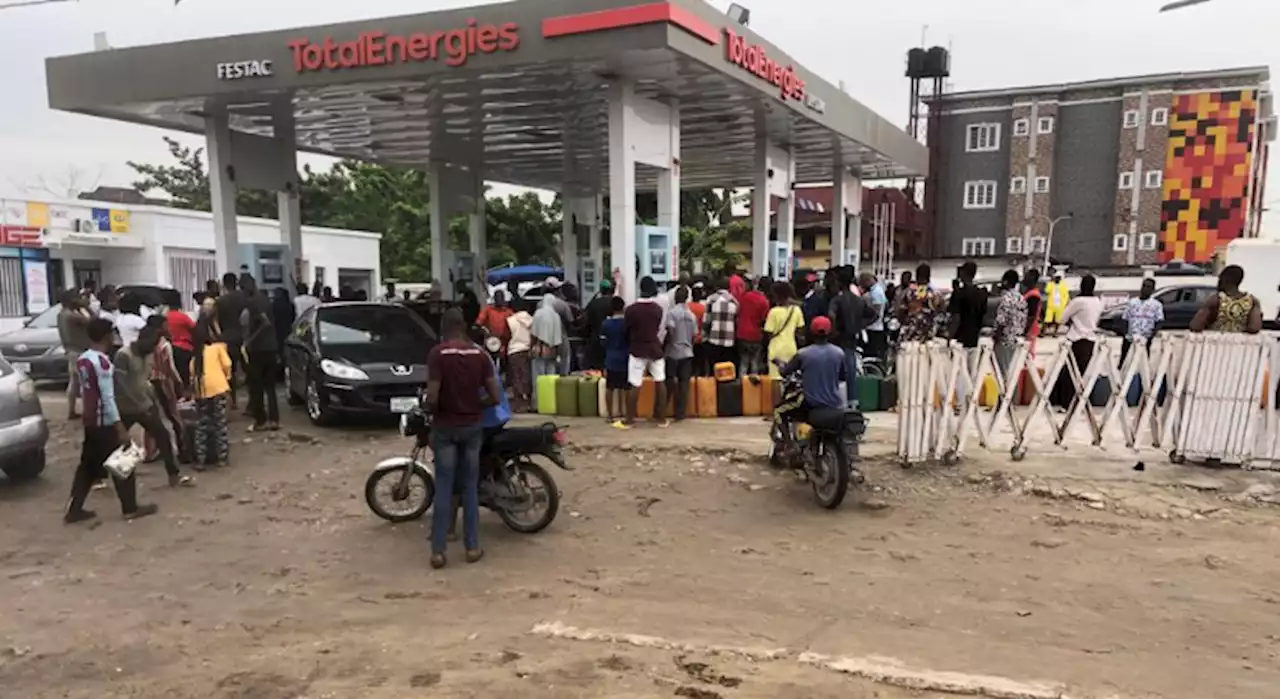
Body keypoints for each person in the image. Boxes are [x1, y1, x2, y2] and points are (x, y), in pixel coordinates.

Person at [425, 308, 501, 569]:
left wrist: (433, 408)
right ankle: (472, 547)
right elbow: (495, 397)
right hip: (472, 428)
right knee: (469, 488)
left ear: (445, 328)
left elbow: (432, 397)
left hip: (445, 428)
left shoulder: (438, 354)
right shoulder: (480, 355)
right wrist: (473, 404)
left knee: (444, 488)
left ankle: (438, 552)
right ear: (465, 326)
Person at [64, 318, 160, 524]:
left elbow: (84, 391)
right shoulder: (104, 363)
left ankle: (74, 508)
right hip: (105, 422)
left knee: (87, 468)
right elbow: (108, 398)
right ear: (107, 336)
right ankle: (130, 508)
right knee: (124, 463)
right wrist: (120, 428)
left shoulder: (83, 360)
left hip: (90, 421)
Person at [114, 325, 192, 487]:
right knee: (116, 444)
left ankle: (173, 474)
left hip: (145, 404)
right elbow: (120, 385)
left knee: (163, 436)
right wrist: (139, 403)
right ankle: (116, 477)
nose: (152, 349)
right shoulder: (123, 355)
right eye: (151, 344)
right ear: (141, 339)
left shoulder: (148, 354)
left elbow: (145, 381)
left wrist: (151, 402)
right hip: (125, 407)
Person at [772, 316, 847, 427]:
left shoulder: (803, 354)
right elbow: (843, 377)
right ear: (830, 332)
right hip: (835, 404)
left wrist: (779, 364)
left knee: (778, 411)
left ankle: (788, 442)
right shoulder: (839, 353)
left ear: (811, 332)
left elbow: (785, 372)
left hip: (812, 404)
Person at [1050, 275, 1104, 410]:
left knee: (1069, 373)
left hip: (1076, 339)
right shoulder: (1097, 302)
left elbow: (1062, 319)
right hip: (1090, 340)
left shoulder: (1078, 301)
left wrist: (1071, 320)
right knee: (1082, 373)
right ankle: (1081, 403)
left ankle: (1066, 403)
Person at [144, 315, 191, 465]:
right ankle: (183, 452)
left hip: (148, 383)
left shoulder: (144, 344)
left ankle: (150, 452)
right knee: (175, 417)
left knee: (151, 418)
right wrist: (180, 383)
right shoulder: (164, 345)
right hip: (164, 383)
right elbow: (170, 368)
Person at [625, 276, 669, 426]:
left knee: (635, 384)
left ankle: (629, 420)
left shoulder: (631, 309)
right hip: (655, 348)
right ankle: (661, 419)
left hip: (637, 348)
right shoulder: (657, 309)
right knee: (660, 381)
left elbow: (627, 329)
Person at [828, 267, 874, 407]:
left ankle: (834, 400)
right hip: (852, 339)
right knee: (851, 372)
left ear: (839, 282)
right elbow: (873, 314)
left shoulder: (837, 300)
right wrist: (861, 325)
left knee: (834, 372)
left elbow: (831, 315)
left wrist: (833, 330)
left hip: (838, 340)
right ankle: (852, 401)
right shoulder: (859, 301)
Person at [239, 277, 280, 432]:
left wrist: (249, 340)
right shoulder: (265, 299)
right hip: (271, 347)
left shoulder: (253, 302)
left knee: (256, 387)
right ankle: (274, 420)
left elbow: (265, 322)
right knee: (270, 387)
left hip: (258, 350)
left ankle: (260, 421)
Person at [190, 319, 232, 469]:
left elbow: (192, 372)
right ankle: (222, 458)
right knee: (220, 423)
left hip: (200, 390)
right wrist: (226, 377)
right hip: (218, 388)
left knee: (201, 425)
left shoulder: (195, 354)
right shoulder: (217, 348)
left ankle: (201, 460)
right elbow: (227, 364)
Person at [946, 262, 990, 401]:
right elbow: (983, 315)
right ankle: (972, 399)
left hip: (960, 337)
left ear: (963, 273)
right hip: (974, 336)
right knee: (972, 371)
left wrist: (950, 336)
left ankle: (961, 399)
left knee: (959, 371)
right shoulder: (982, 293)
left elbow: (956, 317)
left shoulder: (959, 293)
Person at [1191, 264, 1263, 334]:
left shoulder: (1216, 299)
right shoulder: (1252, 301)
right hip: (1240, 344)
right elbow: (1254, 328)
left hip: (1217, 343)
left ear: (1224, 279)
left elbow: (1196, 326)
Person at [57, 291, 93, 420]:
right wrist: (86, 307)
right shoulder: (72, 316)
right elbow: (93, 321)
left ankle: (72, 410)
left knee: (74, 382)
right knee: (85, 382)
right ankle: (87, 411)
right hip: (79, 351)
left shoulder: (62, 314)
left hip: (71, 350)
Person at [664, 286, 697, 421]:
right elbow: (694, 335)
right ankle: (680, 413)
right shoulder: (692, 315)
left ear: (676, 297)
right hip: (687, 352)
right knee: (684, 384)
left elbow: (670, 331)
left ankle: (663, 409)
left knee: (669, 381)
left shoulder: (672, 313)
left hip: (673, 352)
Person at [215, 273, 248, 409]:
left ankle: (233, 400)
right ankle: (253, 402)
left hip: (227, 338)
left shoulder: (221, 301)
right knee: (249, 369)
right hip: (245, 337)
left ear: (224, 284)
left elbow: (216, 321)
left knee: (230, 371)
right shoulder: (245, 298)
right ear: (237, 282)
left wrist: (219, 335)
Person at [892, 264, 945, 343]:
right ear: (929, 276)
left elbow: (901, 309)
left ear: (916, 275)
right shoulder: (935, 292)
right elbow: (941, 311)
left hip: (910, 329)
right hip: (928, 331)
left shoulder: (909, 291)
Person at [991, 270, 1028, 381]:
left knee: (1001, 371)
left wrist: (996, 337)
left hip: (1004, 339)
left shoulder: (1006, 298)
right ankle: (1011, 394)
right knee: (1011, 369)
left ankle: (1004, 396)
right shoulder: (1021, 298)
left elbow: (1002, 321)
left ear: (1005, 281)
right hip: (1016, 338)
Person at [763, 282, 804, 379]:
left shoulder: (773, 312)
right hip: (791, 348)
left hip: (776, 349)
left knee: (775, 379)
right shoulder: (796, 310)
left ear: (777, 295)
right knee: (790, 378)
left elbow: (768, 333)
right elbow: (800, 331)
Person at [1120, 278, 1165, 366]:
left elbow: (1159, 321)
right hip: (1130, 337)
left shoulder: (1156, 305)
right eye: (1144, 286)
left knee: (1143, 363)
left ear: (1153, 290)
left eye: (1148, 287)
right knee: (1125, 361)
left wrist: (1152, 335)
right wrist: (1125, 333)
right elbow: (1125, 318)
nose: (1145, 289)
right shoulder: (1132, 302)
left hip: (1145, 338)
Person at [600, 296, 630, 426]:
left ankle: (610, 415)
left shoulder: (605, 324)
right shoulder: (627, 324)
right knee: (626, 387)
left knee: (610, 387)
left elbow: (602, 342)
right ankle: (625, 413)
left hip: (611, 357)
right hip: (625, 358)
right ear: (623, 308)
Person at [530, 294, 564, 404]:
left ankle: (538, 403)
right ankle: (550, 402)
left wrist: (531, 347)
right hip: (552, 350)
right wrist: (558, 353)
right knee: (551, 378)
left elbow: (533, 333)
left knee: (538, 378)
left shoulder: (538, 313)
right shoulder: (556, 316)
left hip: (539, 349)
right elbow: (558, 336)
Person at [736, 276, 770, 375]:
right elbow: (764, 319)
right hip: (755, 335)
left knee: (743, 361)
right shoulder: (764, 301)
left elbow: (738, 312)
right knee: (754, 361)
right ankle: (753, 387)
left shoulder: (744, 296)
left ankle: (741, 385)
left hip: (741, 333)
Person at [703, 279, 739, 372]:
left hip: (714, 338)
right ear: (728, 287)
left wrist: (706, 333)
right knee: (726, 369)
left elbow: (706, 320)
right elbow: (736, 320)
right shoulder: (734, 301)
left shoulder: (711, 300)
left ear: (717, 287)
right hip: (729, 339)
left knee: (714, 367)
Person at [505, 301, 534, 412]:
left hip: (514, 350)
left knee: (516, 377)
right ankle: (528, 403)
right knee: (527, 376)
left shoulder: (510, 320)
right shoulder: (531, 320)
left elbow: (507, 335)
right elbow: (533, 335)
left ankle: (518, 404)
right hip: (527, 350)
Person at [582, 280, 616, 371]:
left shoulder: (594, 303)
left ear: (601, 290)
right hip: (611, 340)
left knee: (594, 368)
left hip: (595, 339)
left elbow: (586, 321)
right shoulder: (614, 303)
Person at [166, 303, 197, 390]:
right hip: (185, 347)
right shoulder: (182, 317)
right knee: (186, 373)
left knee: (176, 373)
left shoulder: (165, 317)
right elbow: (194, 328)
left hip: (171, 347)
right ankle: (187, 392)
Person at [860, 273, 890, 361]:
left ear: (867, 281)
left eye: (863, 283)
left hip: (874, 328)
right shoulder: (875, 291)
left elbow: (877, 313)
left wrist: (865, 324)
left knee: (872, 355)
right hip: (875, 327)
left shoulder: (876, 292)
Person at [476, 290, 515, 356]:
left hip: (505, 341)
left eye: (501, 298)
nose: (499, 300)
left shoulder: (508, 312)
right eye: (497, 298)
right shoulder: (488, 310)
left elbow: (515, 322)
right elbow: (479, 321)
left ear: (503, 299)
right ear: (494, 299)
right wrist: (482, 328)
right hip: (491, 340)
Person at [1022, 268, 1044, 355]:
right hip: (1028, 328)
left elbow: (1031, 315)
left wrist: (1025, 331)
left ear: (1032, 278)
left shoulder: (1033, 295)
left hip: (1029, 330)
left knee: (1027, 355)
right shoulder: (1029, 292)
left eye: (1026, 276)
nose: (1024, 278)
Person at [271, 287, 296, 364]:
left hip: (276, 329)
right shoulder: (290, 305)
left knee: (278, 349)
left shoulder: (273, 305)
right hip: (287, 328)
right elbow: (293, 317)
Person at [687, 285, 708, 376]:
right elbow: (704, 324)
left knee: (689, 363)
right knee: (700, 362)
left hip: (688, 338)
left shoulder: (687, 307)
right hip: (699, 339)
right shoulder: (703, 308)